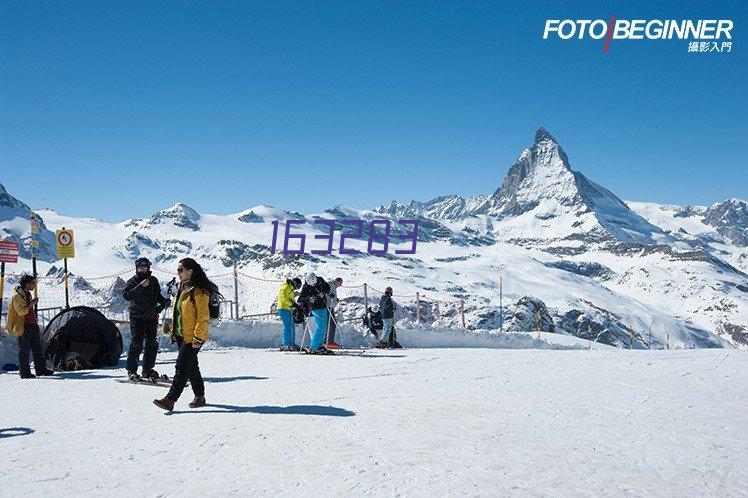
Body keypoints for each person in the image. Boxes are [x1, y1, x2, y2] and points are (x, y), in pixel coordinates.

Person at [153, 258, 220, 411]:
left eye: (180, 270)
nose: (178, 273)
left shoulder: (200, 291)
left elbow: (203, 316)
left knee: (182, 366)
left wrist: (198, 337)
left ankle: (170, 399)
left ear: (190, 271)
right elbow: (179, 311)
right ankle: (200, 396)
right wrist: (173, 329)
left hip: (194, 335)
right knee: (191, 366)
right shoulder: (182, 288)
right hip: (181, 334)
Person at [122, 257, 170, 382]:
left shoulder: (153, 281)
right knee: (137, 344)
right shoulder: (133, 281)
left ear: (148, 267)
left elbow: (157, 296)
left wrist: (164, 301)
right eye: (139, 267)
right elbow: (126, 295)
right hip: (137, 317)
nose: (141, 269)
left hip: (151, 317)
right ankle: (131, 371)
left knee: (151, 344)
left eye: (143, 267)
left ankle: (147, 370)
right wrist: (140, 286)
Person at [6, 275, 52, 379]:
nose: (34, 285)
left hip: (32, 324)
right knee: (24, 350)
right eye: (33, 283)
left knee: (37, 349)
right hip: (24, 326)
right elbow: (21, 311)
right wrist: (32, 303)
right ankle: (25, 373)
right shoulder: (17, 296)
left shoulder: (27, 294)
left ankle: (41, 370)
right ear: (27, 284)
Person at [298, 272, 331, 354]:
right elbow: (300, 298)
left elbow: (328, 288)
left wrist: (323, 292)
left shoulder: (320, 280)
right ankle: (315, 346)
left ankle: (319, 345)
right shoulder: (306, 287)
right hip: (315, 308)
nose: (314, 285)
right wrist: (309, 298)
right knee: (320, 327)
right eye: (312, 284)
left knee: (323, 327)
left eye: (315, 283)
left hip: (323, 305)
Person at [277, 277, 302, 351]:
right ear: (294, 284)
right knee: (287, 327)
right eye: (296, 287)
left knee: (292, 327)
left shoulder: (290, 288)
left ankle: (291, 344)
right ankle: (286, 344)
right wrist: (293, 305)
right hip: (283, 308)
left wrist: (295, 305)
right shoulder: (285, 287)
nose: (296, 289)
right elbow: (284, 299)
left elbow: (290, 298)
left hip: (288, 308)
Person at [325, 277, 343, 349]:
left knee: (330, 324)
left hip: (330, 306)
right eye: (340, 284)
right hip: (328, 306)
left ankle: (327, 341)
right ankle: (329, 342)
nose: (340, 286)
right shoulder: (331, 285)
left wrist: (335, 299)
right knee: (332, 324)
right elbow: (327, 293)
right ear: (338, 281)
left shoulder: (332, 285)